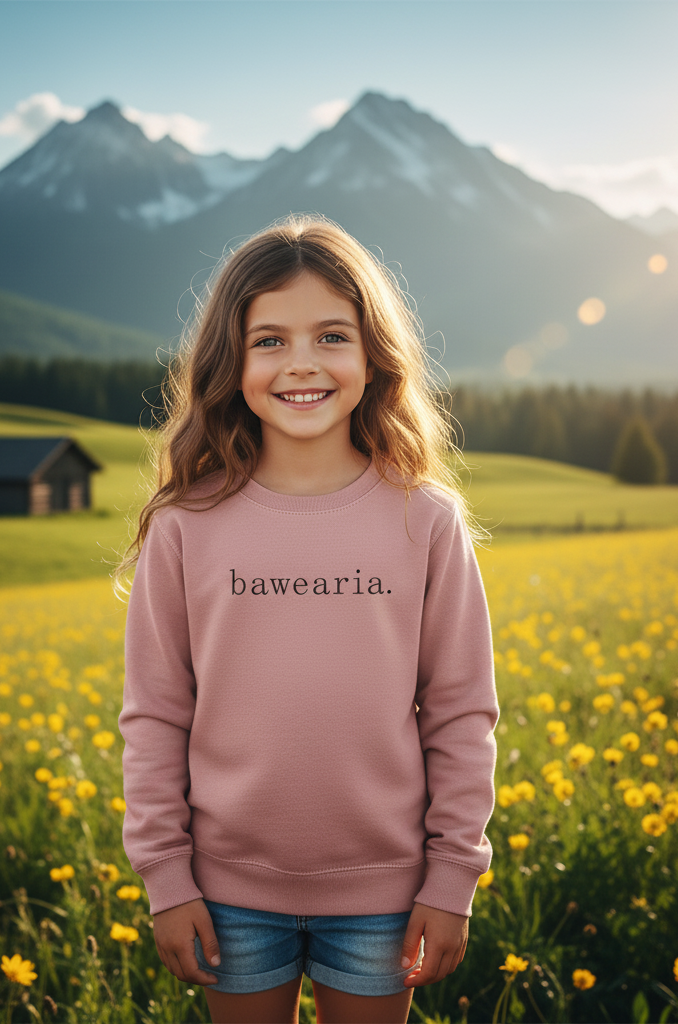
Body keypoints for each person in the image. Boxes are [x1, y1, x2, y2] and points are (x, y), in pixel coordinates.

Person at [115, 214, 499, 1024]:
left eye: (332, 336)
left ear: (373, 358)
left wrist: (451, 876)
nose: (301, 364)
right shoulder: (186, 525)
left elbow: (462, 713)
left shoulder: (425, 520)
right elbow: (154, 715)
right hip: (224, 895)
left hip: (387, 896)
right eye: (269, 341)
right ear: (232, 362)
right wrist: (166, 876)